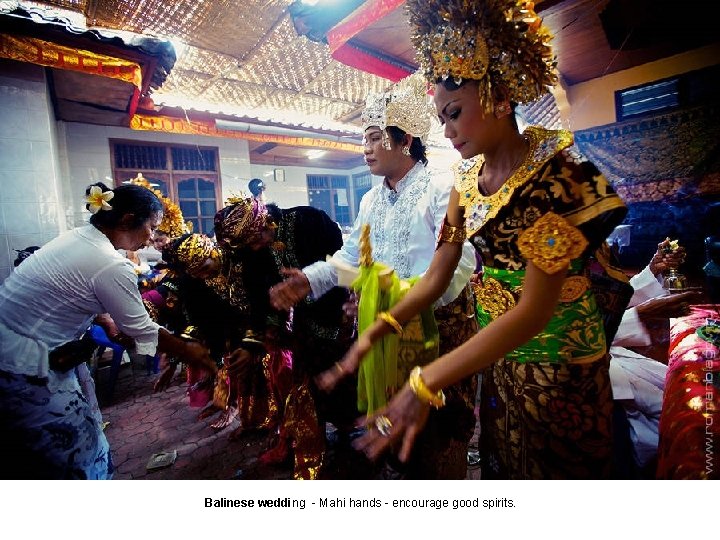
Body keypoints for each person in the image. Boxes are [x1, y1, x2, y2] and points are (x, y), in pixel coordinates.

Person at [320, 0, 628, 479]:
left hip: (557, 359)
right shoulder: (465, 184)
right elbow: (440, 270)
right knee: (501, 460)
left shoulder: (558, 178)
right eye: (442, 118)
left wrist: (427, 378)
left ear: (499, 96)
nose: (447, 130)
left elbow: (533, 310)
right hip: (494, 352)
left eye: (455, 113)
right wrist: (379, 328)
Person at [270, 73, 478, 479]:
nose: (364, 149)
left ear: (405, 141)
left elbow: (462, 261)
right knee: (393, 427)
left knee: (439, 429)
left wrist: (400, 299)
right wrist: (311, 279)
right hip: (385, 332)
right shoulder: (371, 199)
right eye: (363, 140)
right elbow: (353, 259)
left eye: (374, 138)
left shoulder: (441, 186)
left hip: (438, 327)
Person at [0, 181, 215, 479]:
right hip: (26, 368)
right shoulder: (110, 263)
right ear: (127, 219)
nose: (151, 237)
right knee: (81, 457)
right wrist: (190, 352)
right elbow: (141, 328)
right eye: (151, 227)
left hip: (14, 350)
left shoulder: (80, 237)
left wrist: (104, 318)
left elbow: (73, 288)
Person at [214, 197, 356, 479]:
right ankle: (315, 437)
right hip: (303, 324)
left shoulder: (309, 220)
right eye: (249, 246)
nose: (256, 248)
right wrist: (256, 337)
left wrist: (340, 302)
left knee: (344, 378)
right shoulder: (251, 250)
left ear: (262, 223)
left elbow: (343, 263)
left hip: (336, 312)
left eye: (256, 239)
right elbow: (258, 294)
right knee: (309, 383)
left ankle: (348, 431)